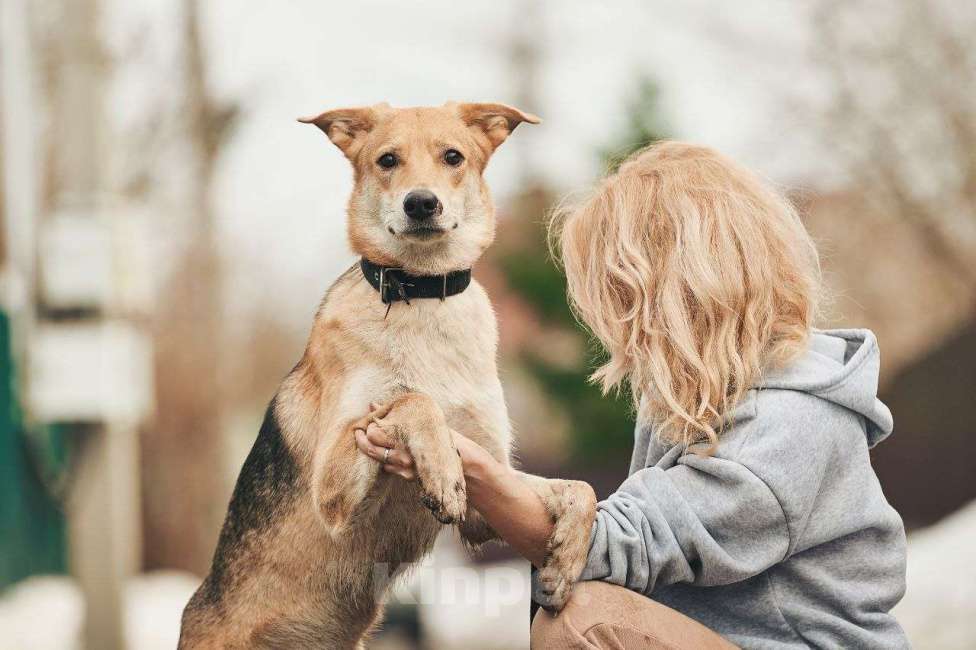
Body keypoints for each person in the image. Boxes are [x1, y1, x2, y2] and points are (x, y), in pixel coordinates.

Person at [355, 141, 909, 649]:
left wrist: (470, 471)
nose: (612, 325)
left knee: (586, 619)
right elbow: (619, 529)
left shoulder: (791, 422)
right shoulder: (693, 404)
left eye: (620, 294)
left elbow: (611, 550)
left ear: (677, 287)